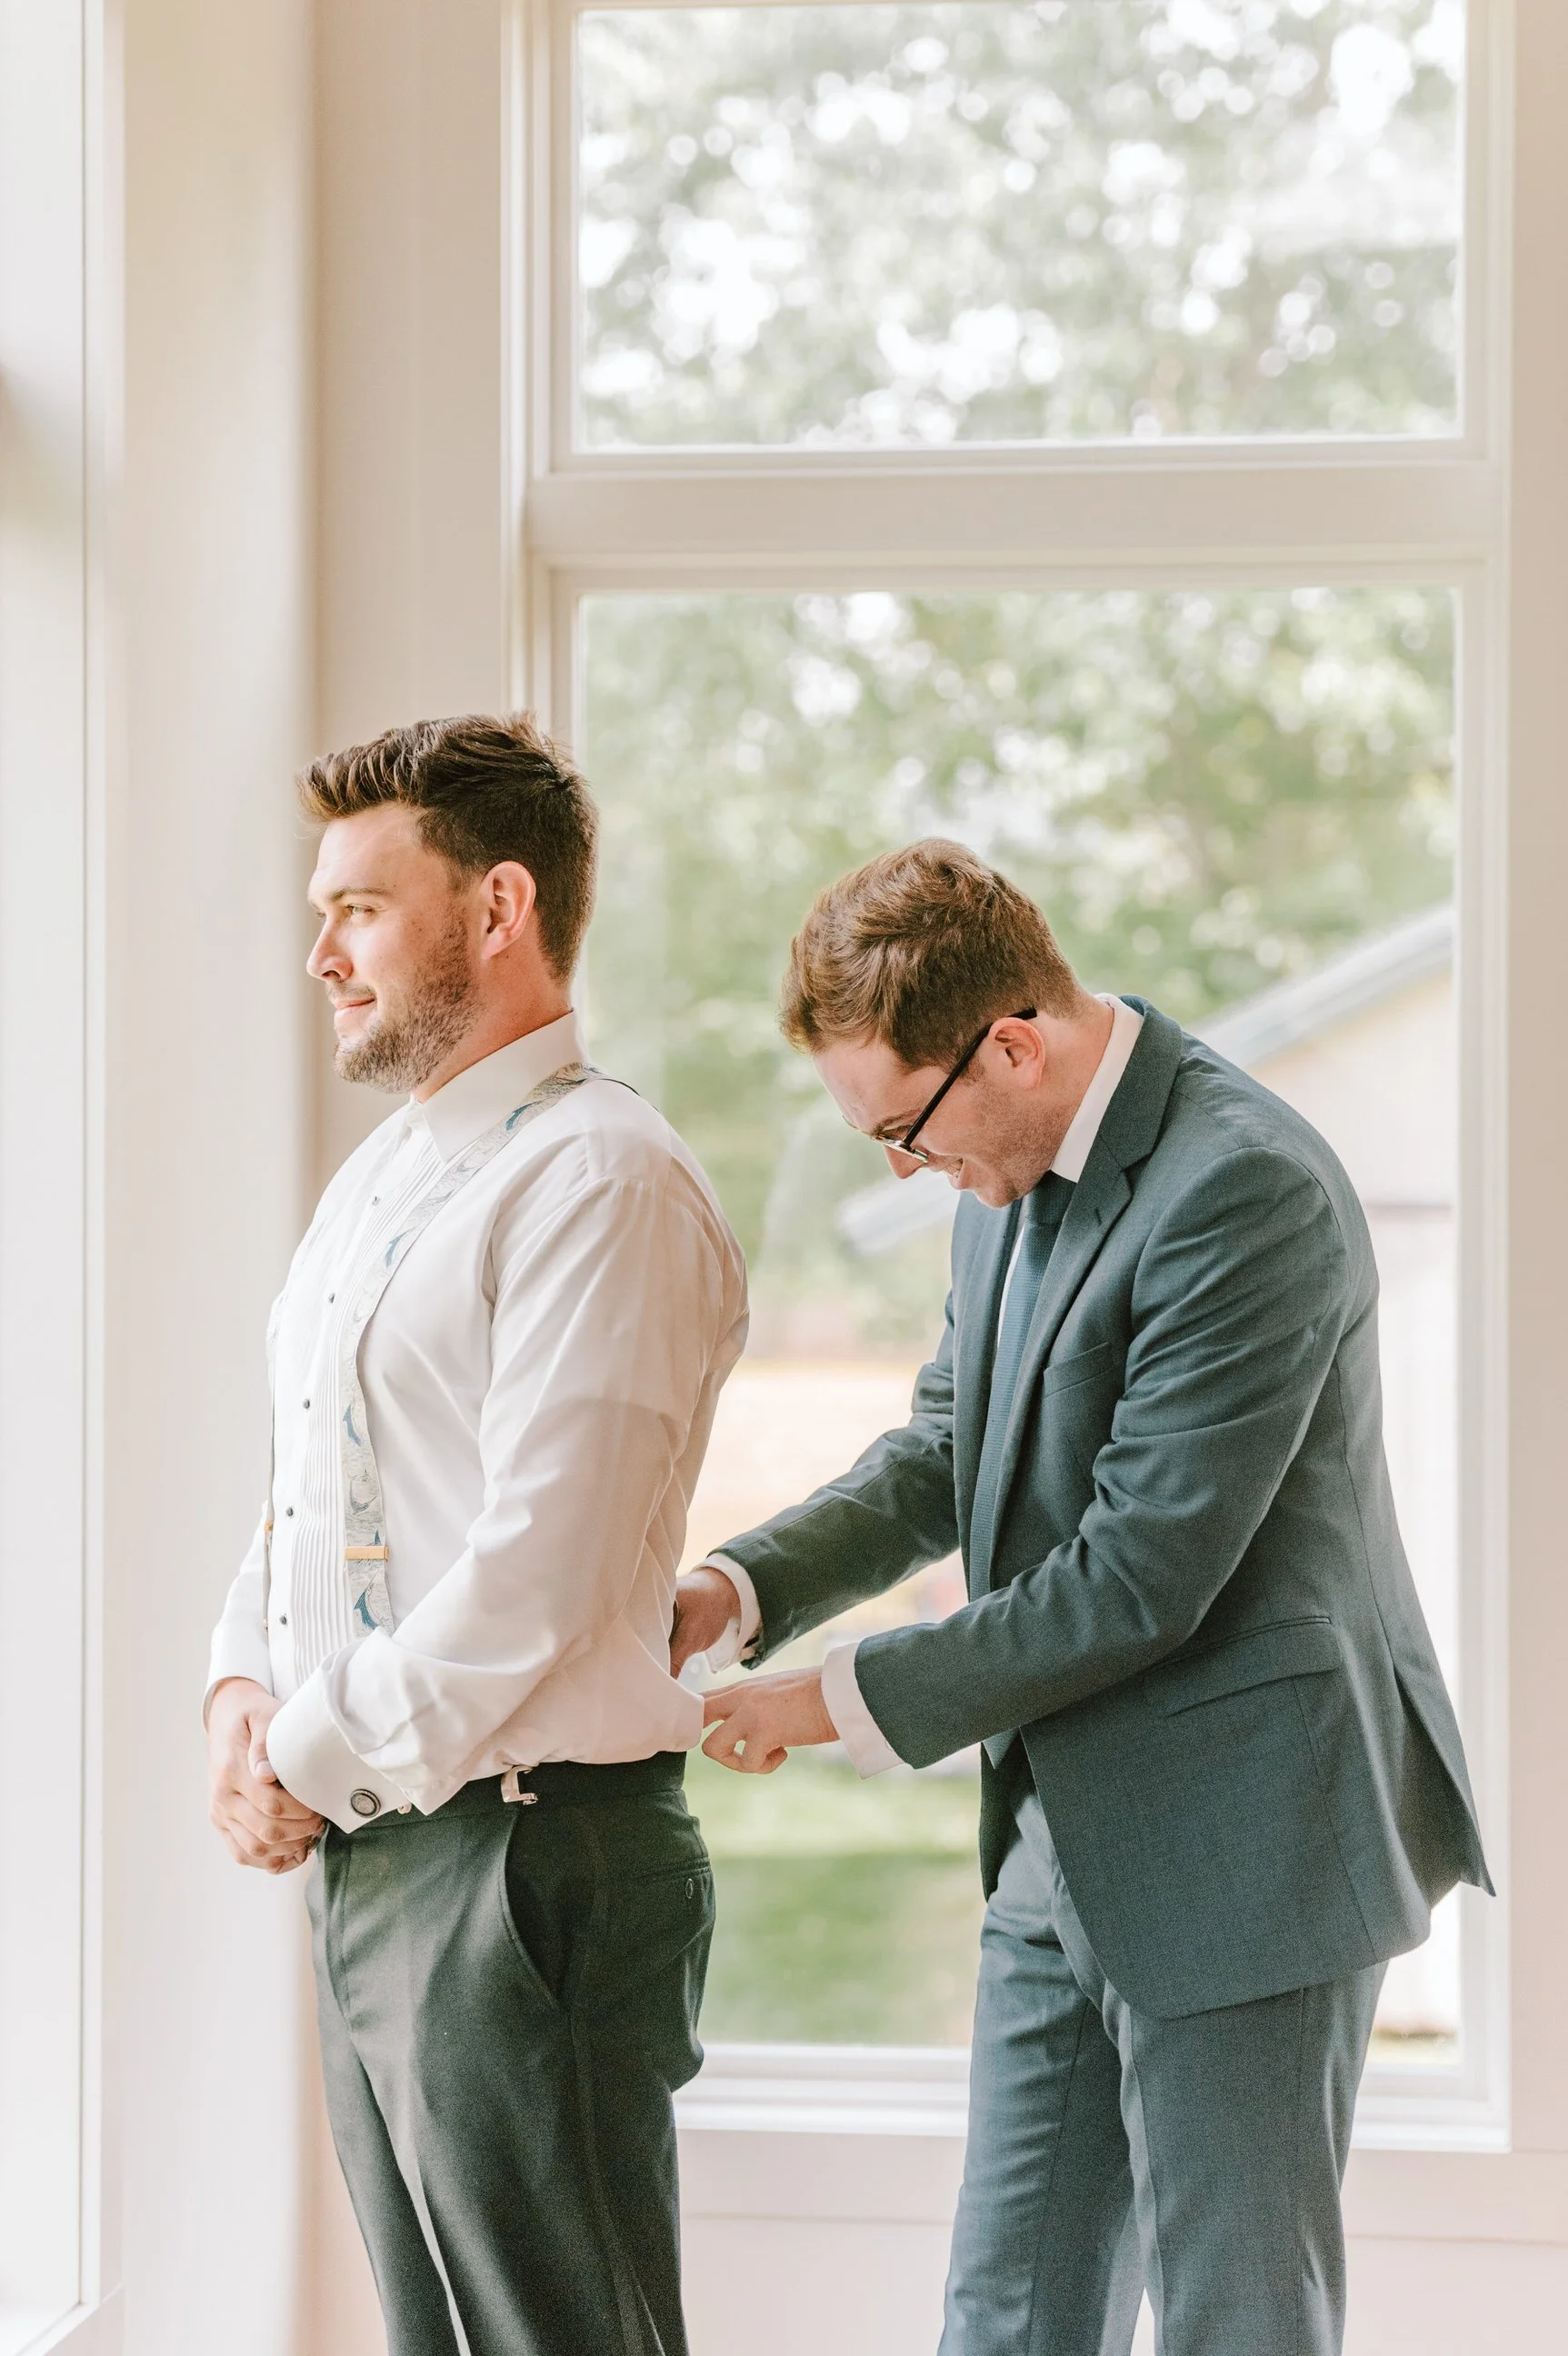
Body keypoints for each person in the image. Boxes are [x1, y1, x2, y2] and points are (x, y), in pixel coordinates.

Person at [673, 838, 1489, 2356]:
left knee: (1238, 2326)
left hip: (1252, 1850)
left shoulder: (1245, 1188)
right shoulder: (997, 1177)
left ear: (1015, 1044)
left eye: (904, 1131)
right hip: (1059, 1843)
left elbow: (1138, 1577)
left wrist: (830, 1700)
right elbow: (940, 1451)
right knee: (1007, 2316)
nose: (905, 1172)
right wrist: (741, 1588)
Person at [205, 714, 746, 2356]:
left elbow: (543, 1569)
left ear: (498, 909)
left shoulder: (606, 1179)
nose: (321, 954)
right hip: (384, 1843)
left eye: (361, 908)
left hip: (530, 1863)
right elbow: (307, 1488)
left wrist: (304, 1750)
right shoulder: (379, 1182)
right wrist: (240, 1698)